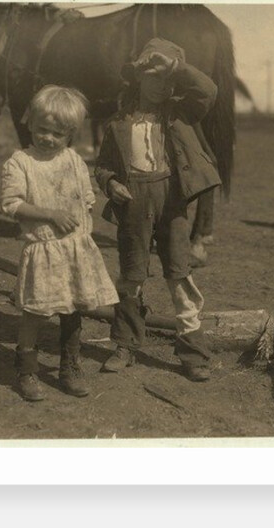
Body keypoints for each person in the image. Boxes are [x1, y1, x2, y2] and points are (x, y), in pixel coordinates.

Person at [95, 38, 221, 382]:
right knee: (132, 274)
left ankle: (192, 352)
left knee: (179, 272)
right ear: (138, 79)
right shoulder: (119, 123)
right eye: (153, 77)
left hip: (172, 200)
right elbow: (103, 165)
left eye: (168, 80)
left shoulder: (180, 113)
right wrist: (110, 184)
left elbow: (207, 91)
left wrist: (178, 68)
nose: (161, 86)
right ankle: (125, 345)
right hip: (134, 202)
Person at [0, 85, 119, 401]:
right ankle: (26, 370)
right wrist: (51, 214)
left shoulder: (74, 161)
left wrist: (86, 212)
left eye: (57, 134)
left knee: (74, 308)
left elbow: (87, 197)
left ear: (70, 135)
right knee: (35, 312)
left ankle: (71, 366)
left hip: (74, 250)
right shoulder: (20, 162)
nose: (48, 138)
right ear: (30, 123)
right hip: (43, 249)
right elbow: (11, 204)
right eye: (42, 129)